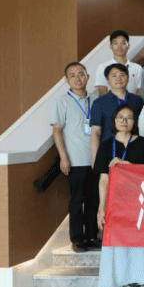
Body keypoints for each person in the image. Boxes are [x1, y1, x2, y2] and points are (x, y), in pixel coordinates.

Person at [95, 105, 144, 287]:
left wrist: (127, 166)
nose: (124, 121)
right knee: (119, 244)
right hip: (115, 202)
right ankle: (125, 283)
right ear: (114, 120)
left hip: (138, 200)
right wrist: (101, 207)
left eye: (129, 118)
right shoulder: (106, 145)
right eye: (120, 117)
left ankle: (140, 284)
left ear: (134, 122)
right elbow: (103, 179)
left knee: (137, 242)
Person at [52, 62, 99, 253]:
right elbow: (57, 131)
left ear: (87, 77)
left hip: (95, 160)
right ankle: (77, 239)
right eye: (72, 75)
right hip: (76, 160)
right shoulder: (62, 101)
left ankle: (92, 236)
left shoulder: (95, 100)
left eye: (81, 74)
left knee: (94, 200)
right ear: (66, 80)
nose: (77, 78)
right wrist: (63, 158)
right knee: (77, 201)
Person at [89, 64, 144, 161]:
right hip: (108, 152)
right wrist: (95, 160)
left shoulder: (137, 101)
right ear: (108, 81)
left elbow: (142, 128)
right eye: (114, 75)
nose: (118, 78)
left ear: (128, 79)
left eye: (122, 75)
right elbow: (95, 132)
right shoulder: (99, 102)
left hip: (134, 151)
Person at [94, 30, 143, 96]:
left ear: (128, 46)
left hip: (132, 102)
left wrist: (132, 101)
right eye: (116, 43)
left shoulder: (137, 68)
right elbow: (102, 92)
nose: (119, 46)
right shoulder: (102, 67)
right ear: (110, 46)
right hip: (110, 102)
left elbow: (140, 91)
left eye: (123, 43)